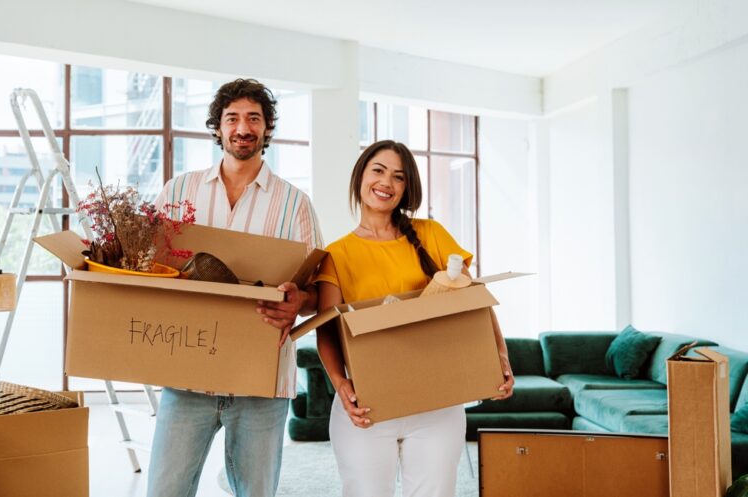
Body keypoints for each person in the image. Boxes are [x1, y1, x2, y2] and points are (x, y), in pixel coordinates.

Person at [146, 79, 323, 497]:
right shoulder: (178, 192)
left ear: (266, 128)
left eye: (253, 119)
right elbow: (148, 271)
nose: (243, 128)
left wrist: (299, 302)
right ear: (218, 127)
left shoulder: (295, 204)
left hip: (261, 382)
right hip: (185, 374)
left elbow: (317, 291)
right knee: (164, 491)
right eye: (232, 119)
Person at [314, 140, 514, 497]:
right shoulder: (335, 254)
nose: (386, 183)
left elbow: (476, 303)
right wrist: (339, 384)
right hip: (369, 402)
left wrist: (499, 356)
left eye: (398, 177)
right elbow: (328, 329)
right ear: (360, 175)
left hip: (438, 400)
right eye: (378, 170)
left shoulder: (432, 234)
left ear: (407, 188)